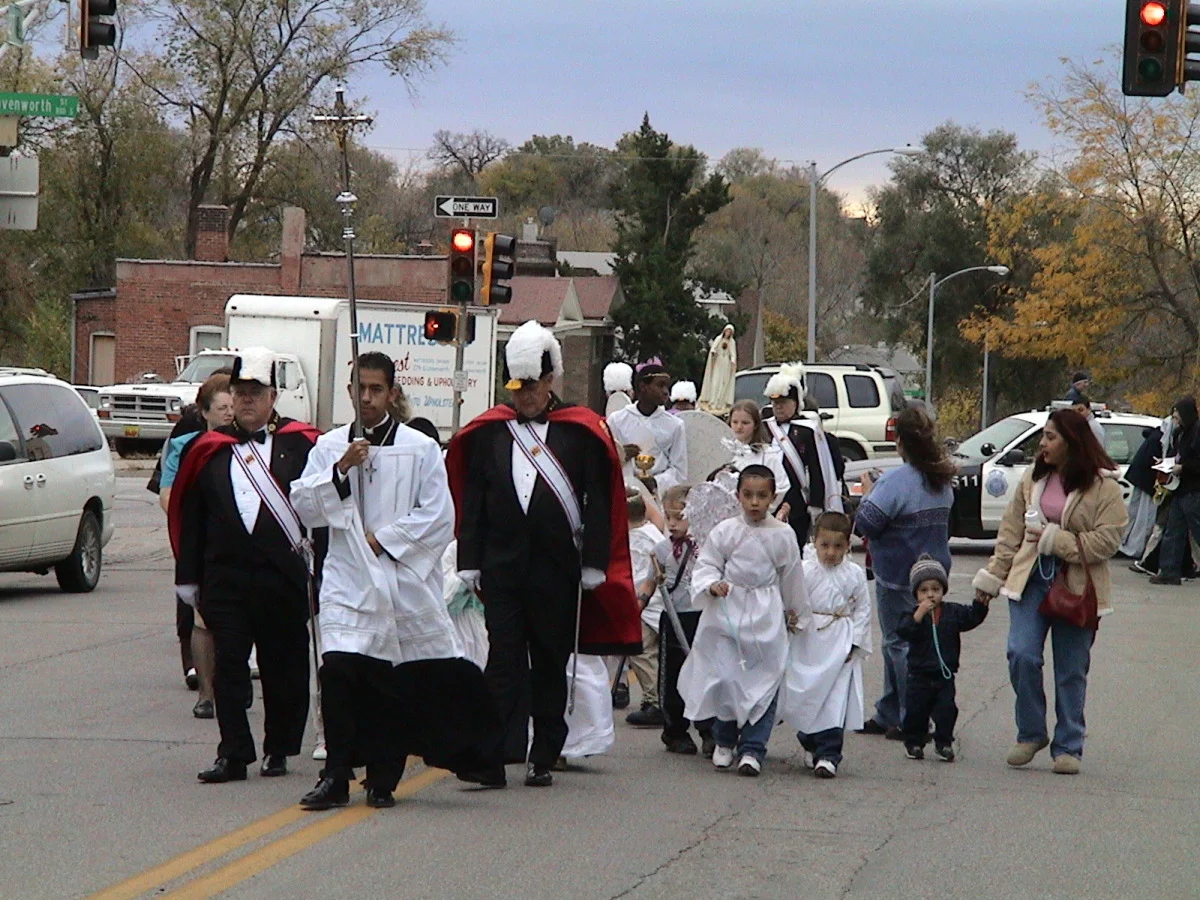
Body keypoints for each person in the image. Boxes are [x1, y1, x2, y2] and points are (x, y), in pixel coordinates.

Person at [290, 352, 494, 810]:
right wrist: (341, 469)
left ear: (392, 393)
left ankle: (382, 779)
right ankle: (335, 775)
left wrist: (385, 539)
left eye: (376, 389)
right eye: (360, 389)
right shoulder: (329, 446)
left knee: (389, 683)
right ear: (348, 391)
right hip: (348, 577)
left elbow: (439, 515)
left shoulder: (419, 449)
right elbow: (302, 505)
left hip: (401, 578)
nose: (367, 398)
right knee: (338, 673)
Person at [446, 320, 642, 789]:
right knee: (503, 661)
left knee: (551, 663)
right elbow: (473, 500)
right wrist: (469, 559)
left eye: (532, 386)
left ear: (550, 380)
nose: (525, 397)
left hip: (556, 571)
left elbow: (598, 501)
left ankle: (545, 753)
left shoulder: (580, 431)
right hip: (502, 568)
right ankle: (493, 757)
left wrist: (594, 562)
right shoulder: (491, 433)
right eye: (517, 388)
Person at [169, 347, 321, 784]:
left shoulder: (302, 445)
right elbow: (192, 516)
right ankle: (233, 753)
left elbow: (321, 512)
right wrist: (188, 578)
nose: (247, 399)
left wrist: (322, 576)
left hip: (282, 578)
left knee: (283, 668)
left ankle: (279, 748)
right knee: (229, 667)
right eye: (240, 392)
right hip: (227, 577)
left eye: (256, 392)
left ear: (274, 396)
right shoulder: (208, 449)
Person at [972, 409, 1126, 775]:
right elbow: (1011, 531)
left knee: (1071, 669)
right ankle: (1030, 733)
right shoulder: (1033, 477)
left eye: (1051, 437)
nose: (1042, 444)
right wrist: (993, 577)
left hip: (1078, 586)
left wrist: (1056, 540)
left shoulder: (1104, 486)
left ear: (1072, 442)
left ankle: (1069, 746)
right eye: (1043, 436)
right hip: (1030, 580)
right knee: (1021, 654)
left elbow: (1108, 540)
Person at [677, 465, 809, 777]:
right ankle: (724, 740)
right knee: (727, 677)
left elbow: (792, 575)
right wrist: (712, 584)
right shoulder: (726, 531)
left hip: (766, 612)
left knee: (765, 682)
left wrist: (795, 612)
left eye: (761, 496)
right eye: (748, 495)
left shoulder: (783, 534)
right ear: (738, 496)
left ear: (772, 498)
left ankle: (753, 748)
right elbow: (708, 563)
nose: (754, 503)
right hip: (728, 610)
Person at [853, 406, 955, 741]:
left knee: (899, 644)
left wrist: (869, 492)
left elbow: (867, 523)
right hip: (934, 572)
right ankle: (889, 710)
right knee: (915, 642)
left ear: (899, 443)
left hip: (899, 576)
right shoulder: (940, 478)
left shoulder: (895, 482)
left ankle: (913, 716)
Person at [159, 373, 234, 719]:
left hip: (239, 543)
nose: (229, 412)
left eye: (232, 406)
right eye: (222, 407)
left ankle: (232, 682)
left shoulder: (248, 444)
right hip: (201, 541)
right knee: (200, 615)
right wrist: (188, 528)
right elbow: (168, 495)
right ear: (205, 412)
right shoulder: (186, 447)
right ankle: (205, 692)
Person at [780, 511, 871, 779]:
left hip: (839, 641)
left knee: (834, 698)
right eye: (825, 545)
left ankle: (829, 753)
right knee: (806, 694)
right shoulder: (804, 570)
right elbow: (791, 599)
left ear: (847, 545)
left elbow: (863, 609)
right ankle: (809, 738)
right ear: (815, 542)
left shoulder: (854, 574)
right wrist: (791, 619)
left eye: (838, 546)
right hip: (808, 639)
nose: (831, 553)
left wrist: (855, 642)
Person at [898, 555, 988, 763]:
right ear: (916, 594)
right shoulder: (911, 615)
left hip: (944, 675)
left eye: (935, 589)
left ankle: (944, 742)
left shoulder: (952, 611)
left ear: (943, 590)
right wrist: (918, 615)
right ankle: (914, 742)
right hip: (918, 676)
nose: (930, 595)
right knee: (916, 712)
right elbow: (904, 631)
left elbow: (971, 618)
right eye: (924, 590)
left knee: (947, 710)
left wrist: (980, 604)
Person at [653, 485, 714, 757]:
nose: (672, 523)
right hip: (674, 616)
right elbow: (651, 581)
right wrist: (641, 598)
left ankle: (709, 729)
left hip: (703, 616)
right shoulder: (661, 549)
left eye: (679, 517)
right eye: (668, 517)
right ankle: (675, 730)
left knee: (706, 674)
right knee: (673, 675)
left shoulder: (708, 547)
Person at [763, 363, 845, 547]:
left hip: (797, 501)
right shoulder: (766, 427)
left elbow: (817, 467)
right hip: (769, 498)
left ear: (796, 403)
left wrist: (815, 503)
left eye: (783, 403)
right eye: (775, 403)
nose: (778, 407)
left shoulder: (808, 430)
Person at [607, 362, 688, 493]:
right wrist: (623, 455)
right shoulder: (617, 420)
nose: (666, 392)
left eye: (667, 386)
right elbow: (607, 461)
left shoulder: (675, 425)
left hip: (659, 494)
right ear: (643, 387)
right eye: (660, 385)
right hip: (625, 492)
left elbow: (679, 471)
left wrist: (656, 482)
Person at [626, 490, 667, 727]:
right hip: (661, 604)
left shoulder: (636, 542)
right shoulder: (653, 532)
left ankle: (655, 702)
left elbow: (638, 576)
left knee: (642, 651)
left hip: (647, 604)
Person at [1151, 397, 1200, 586]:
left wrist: (1183, 468)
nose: (1174, 418)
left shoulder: (1197, 432)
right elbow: (1177, 456)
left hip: (1194, 489)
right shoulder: (1180, 433)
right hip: (1181, 489)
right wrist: (1165, 463)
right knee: (1173, 530)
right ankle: (1169, 571)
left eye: (1177, 414)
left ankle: (1169, 570)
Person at [726, 399, 790, 508]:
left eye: (745, 423)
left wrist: (763, 507)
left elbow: (782, 486)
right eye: (735, 422)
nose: (739, 427)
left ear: (755, 424)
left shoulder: (767, 454)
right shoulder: (725, 450)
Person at [698, 324, 737, 415]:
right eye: (727, 331)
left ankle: (720, 403)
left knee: (723, 384)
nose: (728, 333)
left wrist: (732, 361)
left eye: (730, 332)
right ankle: (712, 401)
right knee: (715, 383)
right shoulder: (719, 339)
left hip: (726, 364)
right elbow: (713, 348)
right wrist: (713, 352)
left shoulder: (732, 342)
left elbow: (733, 354)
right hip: (718, 363)